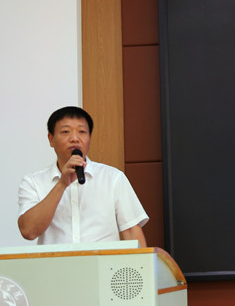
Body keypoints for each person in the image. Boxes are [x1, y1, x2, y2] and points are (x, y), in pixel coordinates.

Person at [18, 106, 148, 247]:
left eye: (82, 132)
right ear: (51, 139)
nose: (75, 139)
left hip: (102, 261)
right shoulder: (33, 182)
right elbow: (29, 231)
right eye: (66, 132)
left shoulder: (113, 178)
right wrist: (61, 184)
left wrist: (144, 262)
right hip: (56, 262)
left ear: (89, 138)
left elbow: (132, 232)